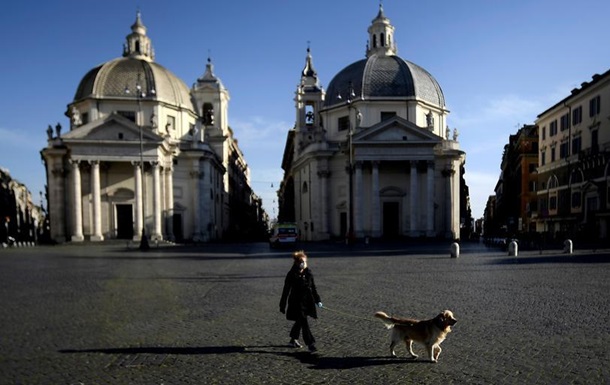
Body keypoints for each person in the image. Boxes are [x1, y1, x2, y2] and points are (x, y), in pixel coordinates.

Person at [279, 250, 323, 352]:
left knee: (300, 321)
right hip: (296, 302)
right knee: (304, 321)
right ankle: (310, 343)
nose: (303, 264)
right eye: (301, 262)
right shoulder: (291, 274)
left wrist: (318, 300)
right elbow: (286, 290)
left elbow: (313, 288)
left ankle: (293, 339)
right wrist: (282, 305)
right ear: (297, 263)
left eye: (305, 261)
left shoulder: (308, 273)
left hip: (307, 302)